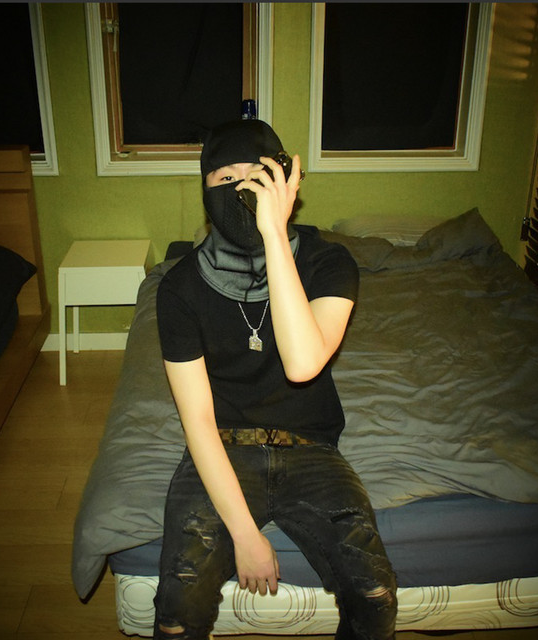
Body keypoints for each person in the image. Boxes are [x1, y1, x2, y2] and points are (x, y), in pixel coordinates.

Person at [154, 119, 397, 640]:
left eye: (255, 176)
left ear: (285, 183)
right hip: (224, 446)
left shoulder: (329, 262)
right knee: (178, 603)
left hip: (312, 449)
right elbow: (197, 422)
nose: (241, 190)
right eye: (225, 179)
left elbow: (303, 363)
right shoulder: (179, 288)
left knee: (375, 594)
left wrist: (273, 236)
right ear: (205, 190)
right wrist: (246, 536)